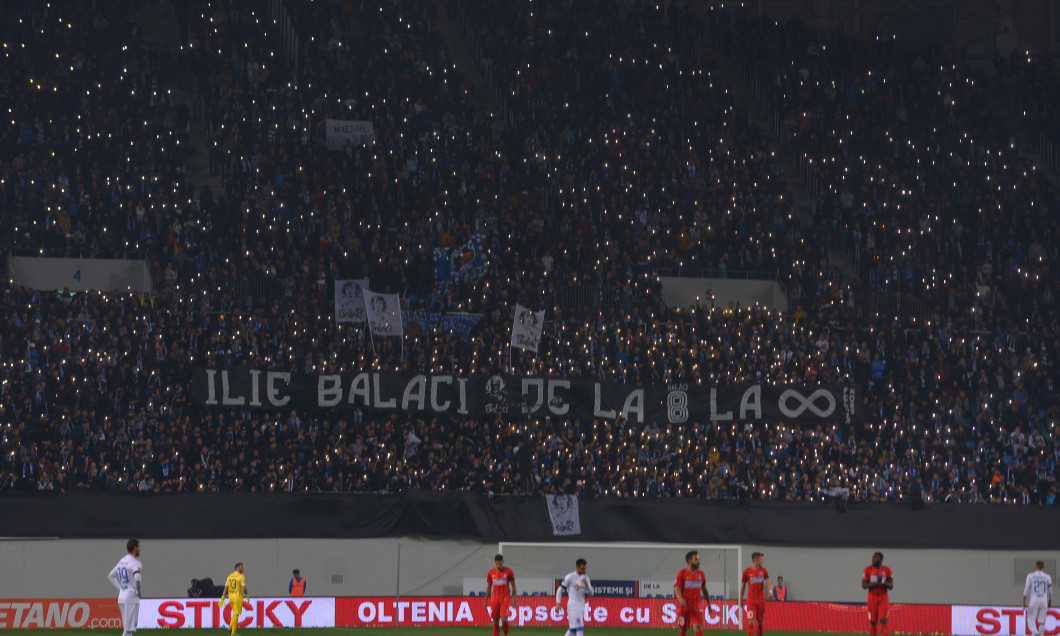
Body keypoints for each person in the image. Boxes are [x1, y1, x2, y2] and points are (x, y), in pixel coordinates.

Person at [674, 550, 714, 636]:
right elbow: (676, 588)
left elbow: (704, 590)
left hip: (696, 607)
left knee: (698, 627)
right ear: (689, 561)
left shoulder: (701, 574)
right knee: (683, 629)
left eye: (698, 559)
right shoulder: (682, 573)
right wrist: (680, 599)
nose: (698, 561)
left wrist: (709, 604)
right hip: (684, 607)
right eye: (696, 559)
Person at [107, 539, 142, 636]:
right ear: (135, 548)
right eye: (139, 547)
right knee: (128, 629)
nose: (140, 549)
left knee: (128, 629)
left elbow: (111, 576)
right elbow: (138, 578)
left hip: (122, 597)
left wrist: (121, 589)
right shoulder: (135, 563)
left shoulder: (122, 561)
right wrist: (139, 592)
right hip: (131, 597)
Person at [555, 558, 594, 636]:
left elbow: (592, 593)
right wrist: (558, 603)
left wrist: (587, 586)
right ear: (577, 567)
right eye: (583, 569)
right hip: (573, 606)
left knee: (573, 629)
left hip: (581, 607)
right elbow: (560, 589)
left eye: (585, 569)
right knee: (580, 627)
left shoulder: (586, 578)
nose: (584, 571)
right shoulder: (570, 577)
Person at [861, 552, 894, 636]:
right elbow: (864, 585)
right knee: (873, 622)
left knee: (883, 620)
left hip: (883, 599)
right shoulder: (867, 570)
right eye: (873, 557)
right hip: (872, 599)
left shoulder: (887, 570)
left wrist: (882, 582)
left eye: (875, 558)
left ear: (881, 559)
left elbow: (891, 586)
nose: (873, 559)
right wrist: (877, 583)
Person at [740, 552, 771, 636]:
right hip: (751, 601)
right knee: (751, 622)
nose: (762, 561)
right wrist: (741, 599)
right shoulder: (747, 572)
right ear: (755, 560)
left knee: (760, 623)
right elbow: (743, 587)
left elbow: (768, 581)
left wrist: (770, 590)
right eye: (761, 559)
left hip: (761, 600)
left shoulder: (764, 571)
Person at [485, 554, 516, 636]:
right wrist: (485, 601)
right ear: (495, 563)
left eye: (501, 563)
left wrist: (515, 599)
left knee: (504, 619)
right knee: (495, 620)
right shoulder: (491, 573)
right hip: (495, 599)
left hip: (505, 598)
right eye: (497, 563)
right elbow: (488, 587)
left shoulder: (509, 572)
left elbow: (513, 586)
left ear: (503, 562)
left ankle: (506, 634)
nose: (499, 565)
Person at [1023, 560, 1053, 636]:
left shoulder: (1030, 576)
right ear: (1043, 567)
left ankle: (1035, 633)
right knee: (1042, 622)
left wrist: (1024, 600)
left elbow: (1026, 588)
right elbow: (1050, 591)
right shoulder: (1047, 577)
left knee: (1030, 621)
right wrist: (1050, 601)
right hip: (1043, 601)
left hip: (1033, 601)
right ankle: (1040, 634)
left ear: (1036, 566)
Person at [218, 563, 249, 636]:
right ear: (238, 568)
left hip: (231, 598)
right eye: (242, 567)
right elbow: (244, 588)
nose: (243, 569)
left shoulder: (230, 576)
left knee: (235, 614)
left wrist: (223, 598)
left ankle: (230, 627)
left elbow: (226, 587)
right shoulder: (241, 576)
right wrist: (247, 595)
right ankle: (233, 633)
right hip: (238, 597)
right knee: (236, 614)